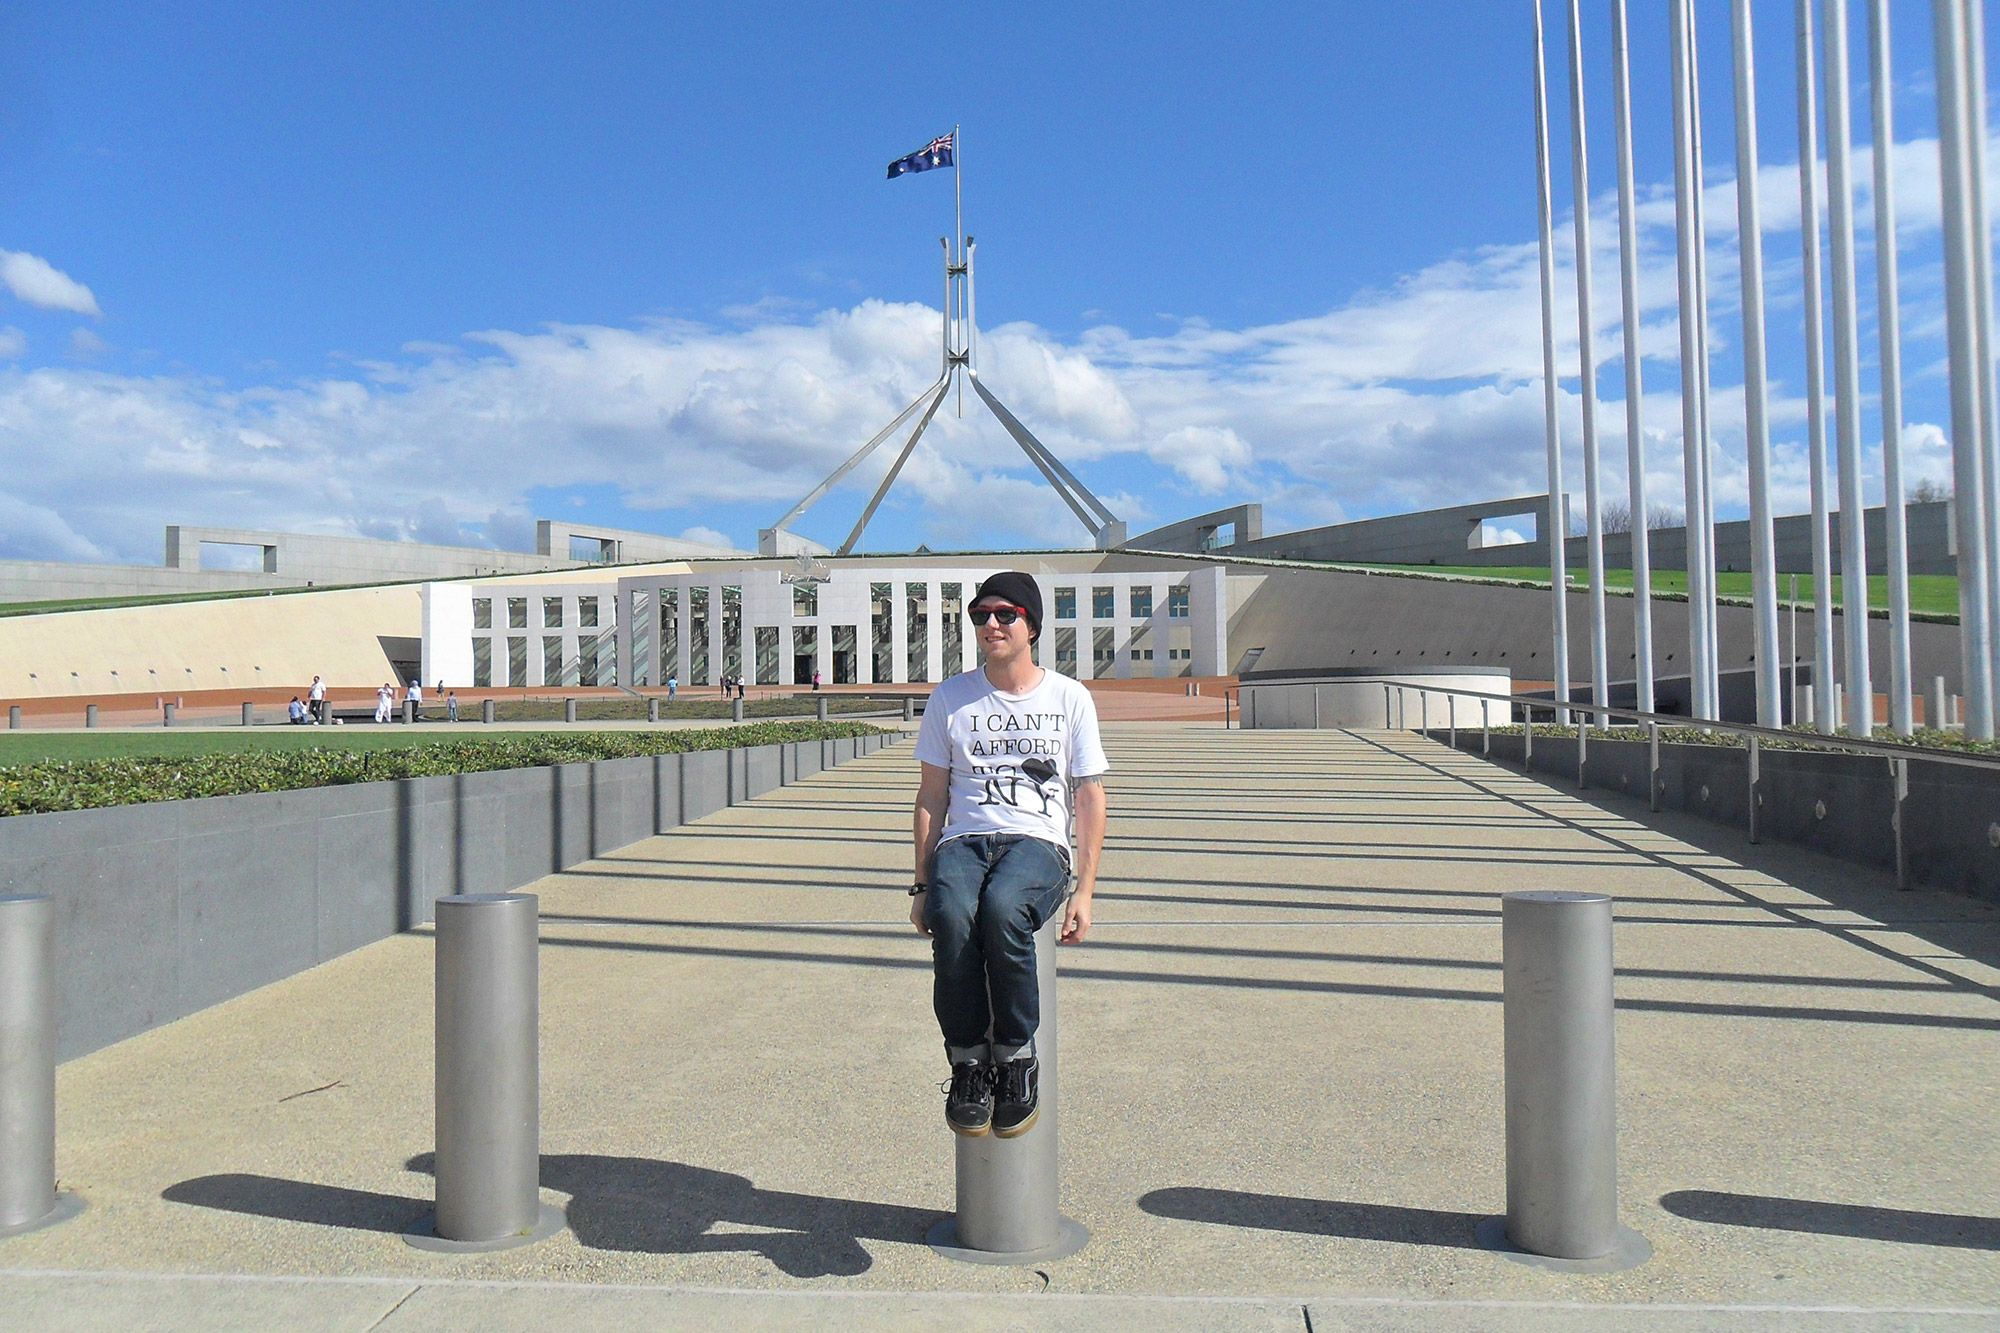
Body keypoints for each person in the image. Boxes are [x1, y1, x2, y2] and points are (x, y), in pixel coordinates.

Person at [909, 572, 1108, 1139]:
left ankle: (1017, 1058)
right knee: (953, 916)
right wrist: (923, 884)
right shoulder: (951, 697)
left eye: (1005, 614)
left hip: (1038, 843)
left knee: (1002, 910)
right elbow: (931, 796)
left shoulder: (1068, 697)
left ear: (1032, 624)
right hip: (964, 840)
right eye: (980, 615)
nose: (991, 624)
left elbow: (1090, 796)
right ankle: (969, 1061)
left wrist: (1086, 892)